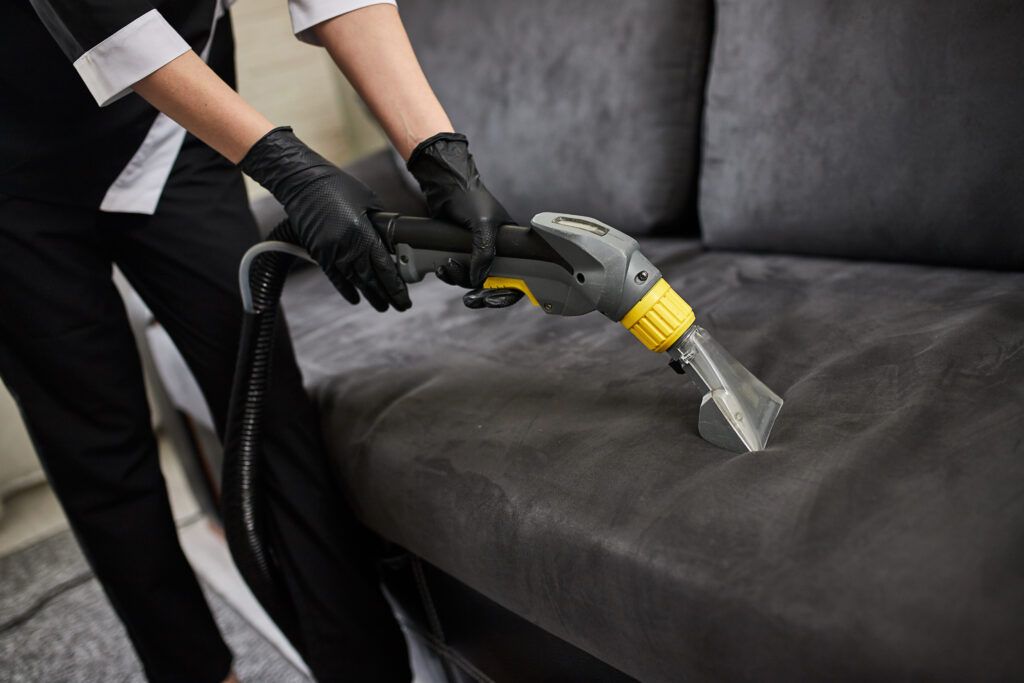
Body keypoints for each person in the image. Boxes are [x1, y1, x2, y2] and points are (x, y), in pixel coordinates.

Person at [0, 1, 517, 680]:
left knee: (267, 407)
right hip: (9, 157)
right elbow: (108, 18)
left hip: (163, 134)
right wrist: (286, 165)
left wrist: (438, 152)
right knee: (98, 450)